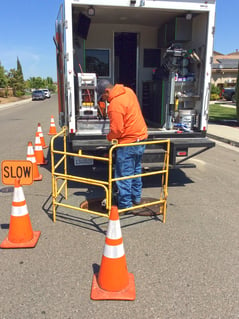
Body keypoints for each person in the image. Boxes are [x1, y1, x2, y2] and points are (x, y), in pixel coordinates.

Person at [96, 79, 148, 210]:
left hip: (128, 144)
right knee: (136, 172)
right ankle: (136, 198)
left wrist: (109, 137)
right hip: (141, 139)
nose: (104, 99)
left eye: (103, 96)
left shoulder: (114, 105)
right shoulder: (129, 91)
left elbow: (116, 131)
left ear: (107, 91)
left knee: (123, 176)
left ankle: (125, 206)